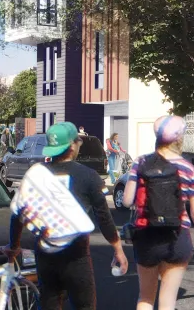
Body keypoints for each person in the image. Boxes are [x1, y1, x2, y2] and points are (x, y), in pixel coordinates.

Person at [9, 122, 128, 310]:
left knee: (50, 303)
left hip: (45, 254)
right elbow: (104, 218)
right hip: (76, 255)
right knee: (84, 305)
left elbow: (18, 214)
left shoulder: (35, 174)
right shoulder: (88, 176)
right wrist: (118, 248)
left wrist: (14, 246)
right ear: (72, 145)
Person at [121, 115, 194, 310]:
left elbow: (127, 200)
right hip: (177, 237)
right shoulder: (188, 168)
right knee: (167, 300)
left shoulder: (140, 163)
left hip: (146, 235)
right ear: (179, 138)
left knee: (146, 298)